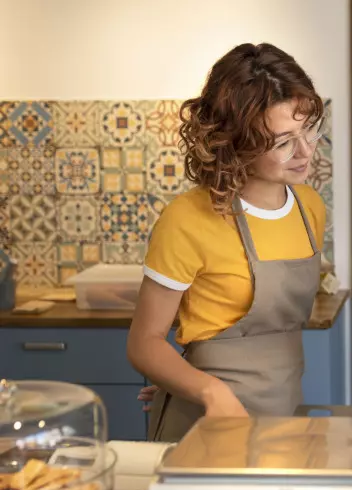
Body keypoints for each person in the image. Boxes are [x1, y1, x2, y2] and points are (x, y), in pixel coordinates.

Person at [127, 42, 327, 442]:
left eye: (310, 129)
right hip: (206, 424)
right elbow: (144, 343)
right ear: (236, 141)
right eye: (283, 141)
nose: (306, 151)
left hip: (282, 421)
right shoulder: (188, 219)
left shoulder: (309, 208)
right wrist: (206, 389)